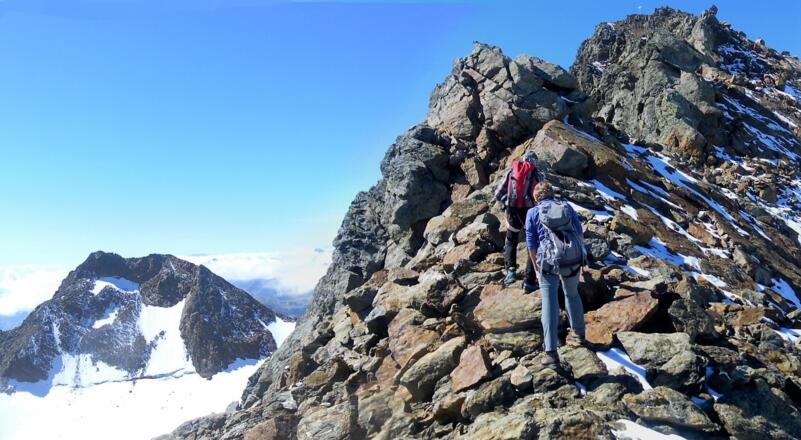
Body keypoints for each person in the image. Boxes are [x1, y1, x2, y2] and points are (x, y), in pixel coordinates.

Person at [525, 181, 587, 368]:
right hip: (572, 257)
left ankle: (551, 353)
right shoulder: (566, 207)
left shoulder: (532, 213)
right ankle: (578, 336)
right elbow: (579, 233)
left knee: (549, 301)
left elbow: (531, 244)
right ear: (552, 194)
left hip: (547, 261)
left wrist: (536, 268)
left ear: (536, 198)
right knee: (572, 293)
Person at [494, 152, 542, 290]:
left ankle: (510, 271)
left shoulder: (511, 171)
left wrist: (509, 202)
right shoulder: (536, 173)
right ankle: (530, 280)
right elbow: (542, 195)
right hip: (531, 213)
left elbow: (498, 194)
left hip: (513, 211)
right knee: (532, 244)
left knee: (511, 240)